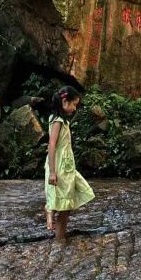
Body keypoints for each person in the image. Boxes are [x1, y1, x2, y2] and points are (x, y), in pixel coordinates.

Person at [41, 86, 94, 242]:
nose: (74, 108)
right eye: (73, 104)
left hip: (67, 166)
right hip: (60, 166)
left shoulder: (61, 120)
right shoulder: (57, 121)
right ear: (64, 101)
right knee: (65, 204)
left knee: (67, 203)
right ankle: (59, 235)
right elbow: (51, 145)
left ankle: (60, 235)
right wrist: (52, 171)